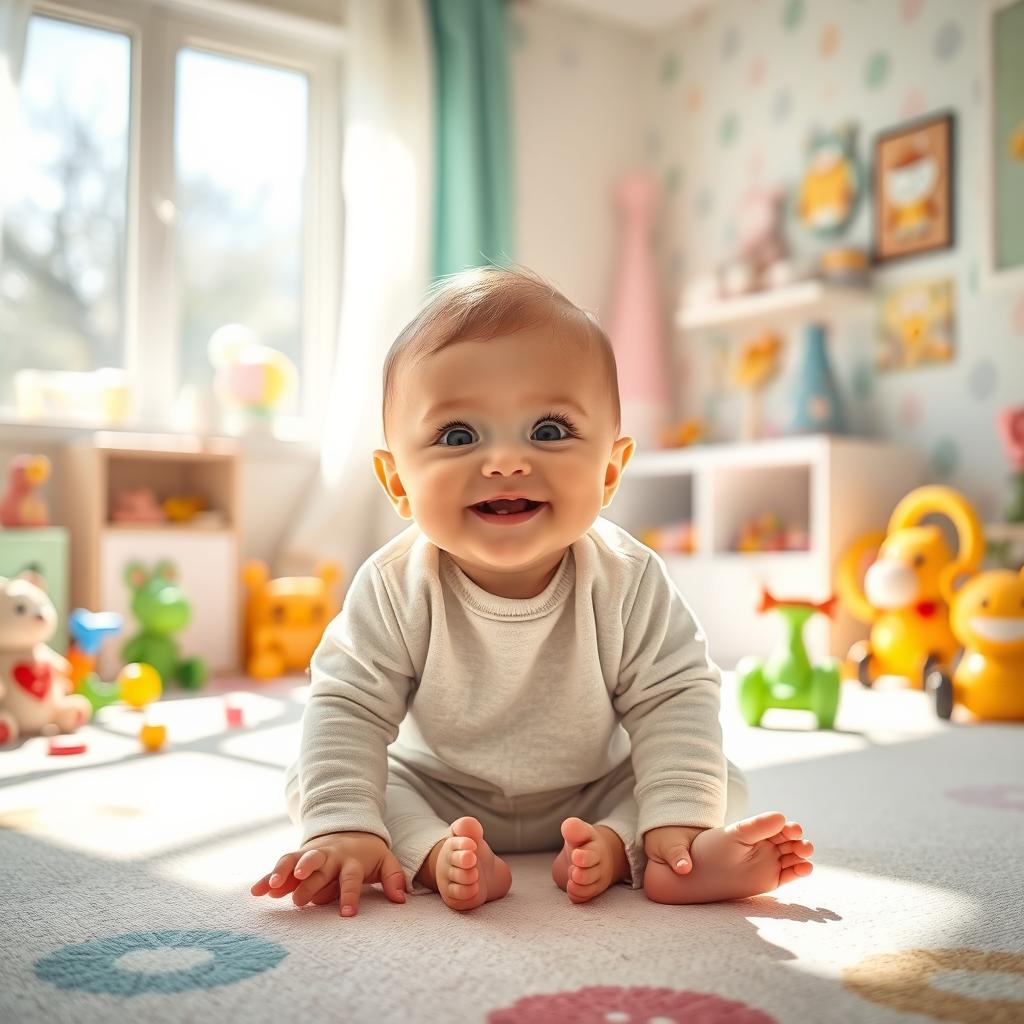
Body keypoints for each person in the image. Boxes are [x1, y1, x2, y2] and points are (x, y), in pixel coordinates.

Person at [250, 266, 814, 918]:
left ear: (609, 470)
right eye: (458, 436)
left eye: (548, 431)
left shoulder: (628, 578)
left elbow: (675, 696)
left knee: (707, 777)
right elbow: (348, 706)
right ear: (397, 480)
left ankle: (651, 852)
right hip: (437, 788)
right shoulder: (394, 584)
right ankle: (439, 855)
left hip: (593, 789)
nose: (507, 461)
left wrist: (676, 817)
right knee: (331, 783)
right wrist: (343, 825)